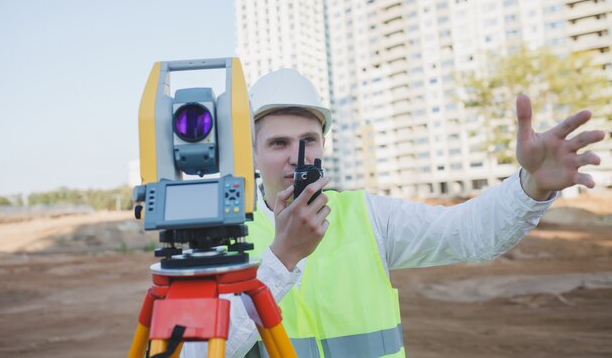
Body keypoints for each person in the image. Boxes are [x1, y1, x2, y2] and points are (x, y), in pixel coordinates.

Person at [181, 68, 605, 358]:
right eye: (278, 144)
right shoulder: (219, 236)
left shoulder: (366, 215)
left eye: (309, 139)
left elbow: (470, 233)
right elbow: (193, 351)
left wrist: (531, 184)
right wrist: (281, 261)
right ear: (252, 153)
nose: (298, 157)